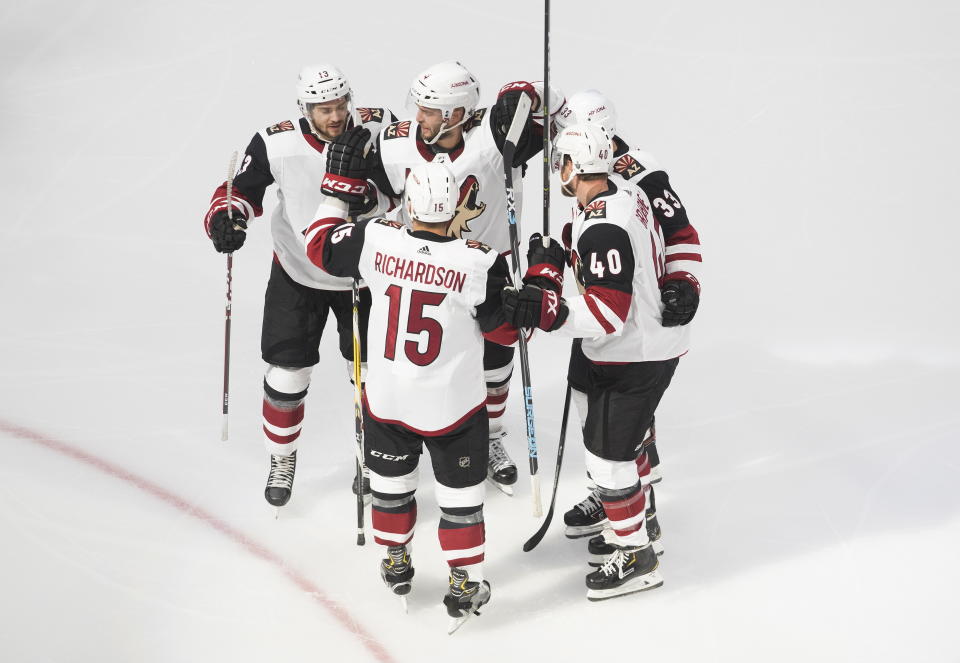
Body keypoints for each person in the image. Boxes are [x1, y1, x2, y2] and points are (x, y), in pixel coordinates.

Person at [303, 139, 519, 625]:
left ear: (410, 201)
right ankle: (464, 580)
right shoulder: (479, 261)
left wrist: (336, 195)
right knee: (461, 503)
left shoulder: (377, 238)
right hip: (453, 407)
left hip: (388, 400)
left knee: (392, 489)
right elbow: (504, 332)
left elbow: (318, 246)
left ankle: (396, 559)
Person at [504, 122, 695, 600]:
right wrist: (552, 264)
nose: (558, 170)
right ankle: (638, 519)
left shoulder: (603, 225)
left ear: (573, 165)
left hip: (633, 354)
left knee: (609, 460)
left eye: (560, 161)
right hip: (629, 348)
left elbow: (607, 315)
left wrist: (548, 310)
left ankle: (637, 555)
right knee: (609, 445)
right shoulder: (622, 195)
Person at [365, 61, 562, 495]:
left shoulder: (495, 133)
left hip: (487, 269)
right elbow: (375, 195)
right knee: (419, 362)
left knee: (495, 360)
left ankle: (490, 438)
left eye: (429, 110)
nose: (418, 117)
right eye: (418, 106)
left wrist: (524, 93)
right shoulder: (396, 143)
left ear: (456, 115)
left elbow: (557, 110)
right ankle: (387, 452)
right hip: (424, 270)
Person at [202, 65, 392, 509]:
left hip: (362, 276)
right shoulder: (276, 140)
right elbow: (241, 191)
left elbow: (407, 186)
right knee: (286, 376)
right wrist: (227, 218)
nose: (336, 116)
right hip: (297, 272)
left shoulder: (377, 129)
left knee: (368, 377)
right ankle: (281, 459)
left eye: (341, 105)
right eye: (324, 109)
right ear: (304, 109)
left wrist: (375, 196)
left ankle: (369, 458)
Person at [552, 90, 703, 540]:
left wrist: (684, 281)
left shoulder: (639, 172)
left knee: (621, 429)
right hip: (609, 315)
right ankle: (612, 489)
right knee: (585, 393)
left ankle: (633, 499)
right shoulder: (592, 174)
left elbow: (680, 230)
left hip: (634, 324)